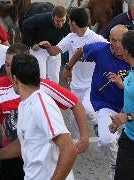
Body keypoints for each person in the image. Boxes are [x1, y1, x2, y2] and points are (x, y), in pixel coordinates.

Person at [0, 43, 89, 180]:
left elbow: (69, 149)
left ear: (15, 78)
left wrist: (84, 137)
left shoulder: (41, 103)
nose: (7, 71)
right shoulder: (24, 105)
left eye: (10, 66)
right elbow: (22, 143)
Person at [63, 24, 130, 179]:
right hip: (107, 104)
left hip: (130, 105)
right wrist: (68, 67)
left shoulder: (131, 55)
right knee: (106, 140)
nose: (117, 45)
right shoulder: (101, 50)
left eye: (121, 41)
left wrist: (123, 85)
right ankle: (116, 165)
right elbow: (82, 50)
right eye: (114, 40)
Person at [39, 8, 107, 138]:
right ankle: (79, 142)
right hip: (75, 86)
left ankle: (102, 124)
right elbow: (54, 52)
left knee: (87, 110)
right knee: (74, 118)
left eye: (69, 21)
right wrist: (48, 46)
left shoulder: (96, 38)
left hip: (91, 85)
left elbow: (111, 50)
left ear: (74, 23)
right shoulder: (70, 37)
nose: (68, 24)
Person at [107, 30, 134, 180]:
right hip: (129, 138)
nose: (117, 47)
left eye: (121, 45)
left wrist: (126, 117)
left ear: (128, 50)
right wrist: (119, 120)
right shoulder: (131, 69)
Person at [21, 6, 70, 83]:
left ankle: (51, 94)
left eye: (62, 20)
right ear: (52, 17)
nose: (60, 24)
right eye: (57, 21)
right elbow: (24, 25)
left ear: (66, 17)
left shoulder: (68, 22)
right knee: (41, 77)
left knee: (54, 78)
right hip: (39, 50)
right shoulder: (41, 19)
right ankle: (40, 93)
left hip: (55, 48)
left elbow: (70, 36)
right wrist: (32, 43)